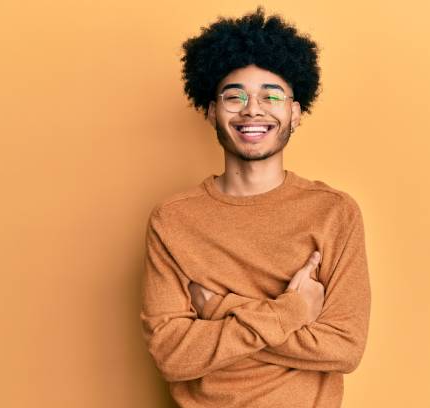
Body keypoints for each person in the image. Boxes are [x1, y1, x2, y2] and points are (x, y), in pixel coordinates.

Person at [139, 6, 371, 407]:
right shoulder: (173, 220)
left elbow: (344, 348)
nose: (252, 109)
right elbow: (172, 356)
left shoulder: (334, 212)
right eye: (235, 96)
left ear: (295, 113)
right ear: (211, 111)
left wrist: (221, 309)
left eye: (272, 96)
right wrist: (292, 311)